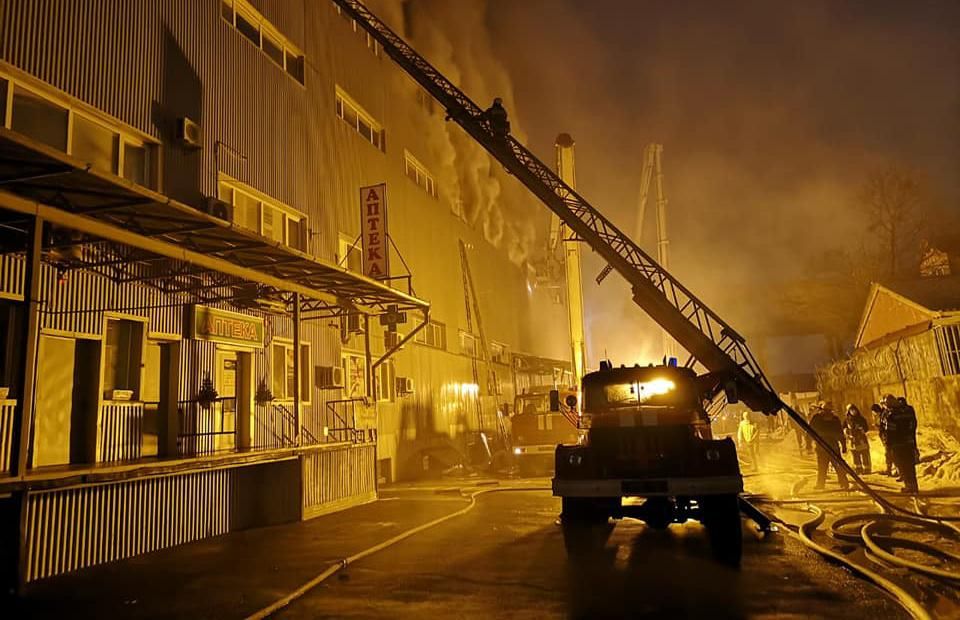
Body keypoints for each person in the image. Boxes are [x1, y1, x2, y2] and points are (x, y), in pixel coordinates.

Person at [810, 401, 848, 490]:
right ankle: (822, 484)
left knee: (836, 466)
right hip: (824, 447)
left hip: (830, 447)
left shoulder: (833, 419)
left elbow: (840, 433)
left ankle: (843, 483)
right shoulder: (817, 418)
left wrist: (844, 445)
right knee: (824, 467)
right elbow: (810, 430)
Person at [885, 395, 919, 493]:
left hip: (897, 445)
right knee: (910, 465)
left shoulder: (891, 415)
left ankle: (908, 486)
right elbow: (913, 425)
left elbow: (890, 431)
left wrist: (888, 444)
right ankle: (914, 485)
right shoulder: (908, 411)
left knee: (902, 465)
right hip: (908, 442)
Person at [844, 404, 871, 474]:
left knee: (864, 454)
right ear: (848, 411)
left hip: (861, 439)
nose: (853, 411)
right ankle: (858, 469)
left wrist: (862, 430)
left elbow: (866, 428)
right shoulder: (847, 420)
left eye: (854, 410)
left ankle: (867, 469)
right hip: (852, 440)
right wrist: (846, 432)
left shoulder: (861, 419)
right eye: (851, 410)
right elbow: (843, 428)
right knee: (855, 455)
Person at [873, 400, 896, 477]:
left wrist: (879, 427)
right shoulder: (882, 415)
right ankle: (889, 469)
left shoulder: (885, 414)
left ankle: (894, 470)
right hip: (886, 438)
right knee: (888, 454)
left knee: (890, 454)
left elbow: (886, 427)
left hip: (889, 438)